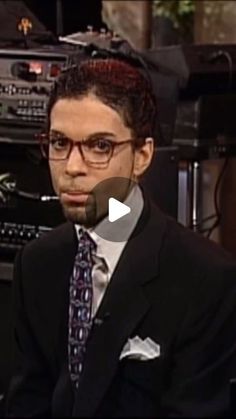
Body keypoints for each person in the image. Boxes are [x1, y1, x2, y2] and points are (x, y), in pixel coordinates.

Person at [6, 52, 236, 418]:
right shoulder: (36, 264)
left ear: (142, 155)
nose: (73, 167)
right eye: (60, 143)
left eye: (100, 147)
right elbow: (27, 403)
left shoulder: (207, 279)